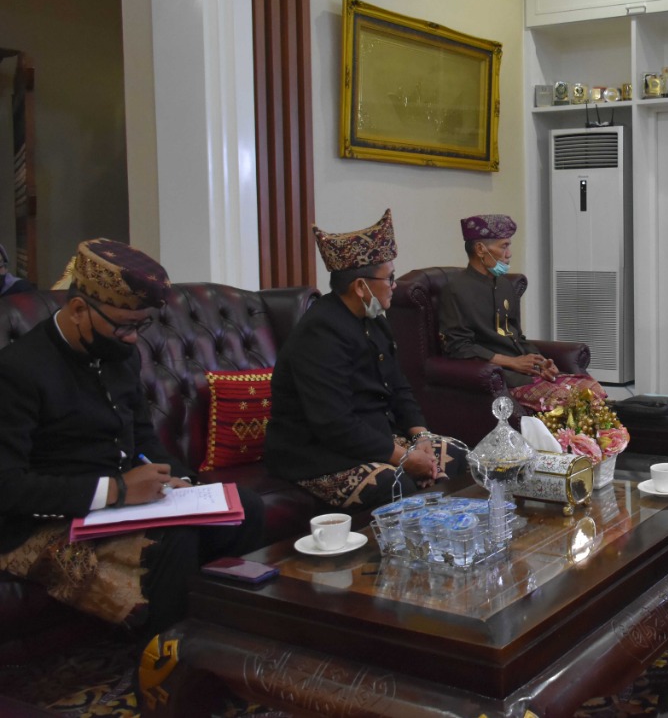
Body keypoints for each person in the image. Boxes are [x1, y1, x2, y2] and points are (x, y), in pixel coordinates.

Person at [0, 239, 264, 638]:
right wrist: (117, 491)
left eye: (140, 327)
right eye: (124, 326)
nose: (131, 339)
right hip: (52, 517)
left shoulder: (120, 356)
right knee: (175, 538)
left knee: (244, 508)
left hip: (123, 504)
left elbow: (142, 437)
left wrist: (180, 482)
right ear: (78, 309)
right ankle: (167, 655)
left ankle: (225, 634)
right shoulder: (19, 370)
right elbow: (9, 487)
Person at [266, 209, 443, 509]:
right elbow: (334, 423)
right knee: (396, 484)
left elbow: (398, 386)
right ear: (361, 287)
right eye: (389, 278)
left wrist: (421, 437)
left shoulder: (374, 320)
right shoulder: (320, 333)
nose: (394, 285)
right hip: (318, 452)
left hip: (372, 437)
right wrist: (404, 458)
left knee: (454, 456)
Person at [439, 214, 559, 387]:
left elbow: (516, 335)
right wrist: (512, 362)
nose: (509, 254)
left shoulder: (505, 285)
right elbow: (458, 347)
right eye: (504, 246)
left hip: (524, 370)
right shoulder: (455, 289)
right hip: (499, 374)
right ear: (480, 249)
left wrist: (541, 362)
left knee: (588, 389)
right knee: (564, 397)